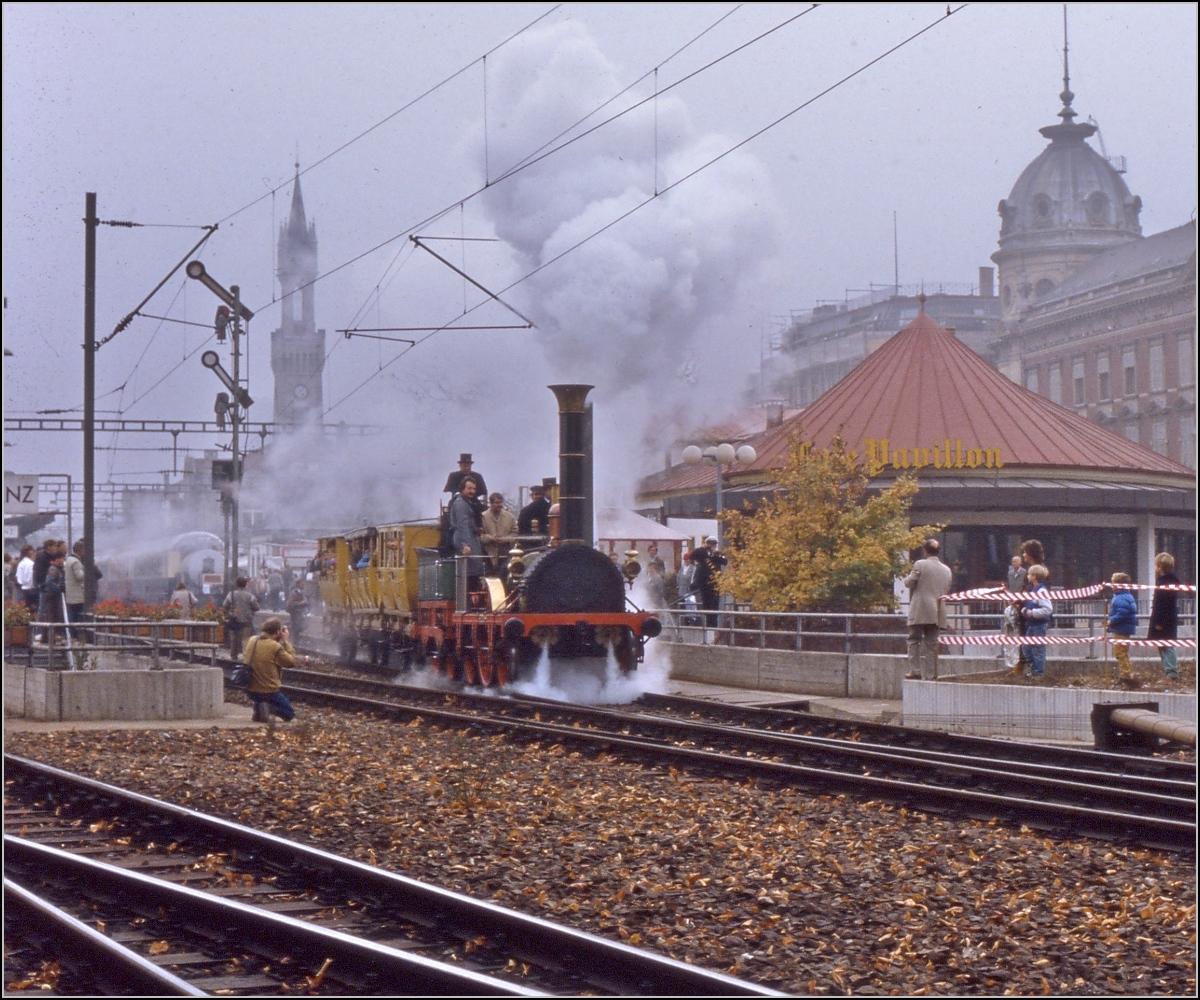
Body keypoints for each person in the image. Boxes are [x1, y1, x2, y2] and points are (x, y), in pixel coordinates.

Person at [904, 538, 954, 680]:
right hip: (937, 611)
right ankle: (931, 674)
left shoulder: (920, 564)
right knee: (931, 644)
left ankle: (915, 670)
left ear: (925, 551)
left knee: (913, 639)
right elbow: (946, 589)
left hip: (920, 609)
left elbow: (909, 583)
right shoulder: (947, 570)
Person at [244, 617, 303, 723]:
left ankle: (258, 710)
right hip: (268, 691)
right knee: (289, 714)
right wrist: (285, 641)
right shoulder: (275, 646)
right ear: (277, 632)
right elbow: (291, 662)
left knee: (260, 697)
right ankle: (266, 709)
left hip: (249, 689)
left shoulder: (252, 639)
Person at [1148, 552, 1181, 681]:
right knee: (1162, 644)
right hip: (1164, 617)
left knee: (1167, 645)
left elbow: (1164, 603)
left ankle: (1171, 672)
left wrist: (1159, 621)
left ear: (1160, 566)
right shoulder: (1166, 581)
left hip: (1164, 618)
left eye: (1156, 565)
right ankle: (1168, 671)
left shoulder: (1166, 582)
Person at [449, 477, 485, 589]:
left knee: (474, 568)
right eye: (469, 488)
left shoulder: (468, 502)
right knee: (471, 570)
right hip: (465, 538)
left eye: (474, 489)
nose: (472, 491)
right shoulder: (461, 504)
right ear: (462, 489)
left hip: (470, 537)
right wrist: (466, 544)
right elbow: (462, 525)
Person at [690, 536, 727, 640]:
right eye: (710, 544)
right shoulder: (702, 554)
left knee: (714, 606)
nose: (712, 546)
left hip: (714, 584)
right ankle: (708, 628)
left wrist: (715, 554)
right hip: (704, 585)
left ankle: (713, 628)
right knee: (706, 606)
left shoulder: (717, 555)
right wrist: (703, 548)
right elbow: (692, 555)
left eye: (714, 544)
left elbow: (725, 561)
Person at [1107, 572, 1139, 689]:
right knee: (1121, 652)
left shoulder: (1120, 598)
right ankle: (1126, 673)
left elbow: (1122, 613)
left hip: (1121, 628)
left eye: (1113, 583)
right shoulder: (1126, 596)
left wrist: (1111, 621)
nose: (1111, 585)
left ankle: (1126, 675)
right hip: (1124, 628)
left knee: (1120, 652)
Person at [1021, 564, 1053, 679]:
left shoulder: (1041, 591)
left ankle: (1039, 672)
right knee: (1026, 646)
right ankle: (1034, 668)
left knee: (1038, 648)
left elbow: (1048, 609)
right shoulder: (1034, 590)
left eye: (1029, 574)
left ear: (1034, 576)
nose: (1027, 576)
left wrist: (1032, 613)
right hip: (1032, 624)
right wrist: (1025, 609)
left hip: (1039, 625)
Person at [479, 493, 518, 575]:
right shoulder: (483, 517)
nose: (499, 505)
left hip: (505, 554)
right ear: (491, 503)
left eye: (501, 502)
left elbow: (515, 533)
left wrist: (507, 539)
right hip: (488, 555)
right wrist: (491, 538)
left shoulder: (509, 516)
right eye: (497, 503)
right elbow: (479, 535)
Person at [222, 576, 260, 658]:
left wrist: (229, 614)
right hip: (246, 620)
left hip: (233, 619)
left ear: (236, 584)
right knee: (245, 639)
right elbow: (257, 607)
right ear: (246, 584)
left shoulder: (231, 594)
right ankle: (246, 656)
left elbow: (225, 605)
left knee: (234, 638)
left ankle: (233, 655)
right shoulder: (250, 596)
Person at [64, 542, 89, 638]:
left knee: (72, 614)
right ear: (80, 550)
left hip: (71, 593)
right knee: (77, 615)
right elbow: (80, 576)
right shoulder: (76, 562)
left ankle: (72, 633)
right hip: (77, 593)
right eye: (83, 550)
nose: (84, 552)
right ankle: (76, 635)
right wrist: (87, 570)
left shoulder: (69, 559)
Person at [16, 545, 37, 613]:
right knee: (33, 609)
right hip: (31, 588)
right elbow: (31, 576)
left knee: (24, 610)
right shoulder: (31, 563)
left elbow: (18, 577)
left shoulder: (21, 563)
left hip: (22, 588)